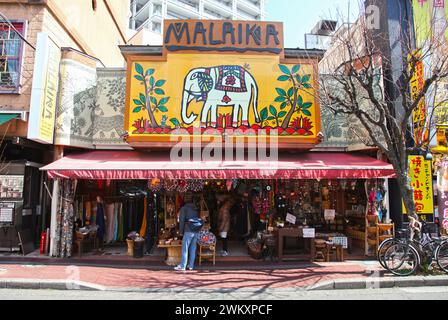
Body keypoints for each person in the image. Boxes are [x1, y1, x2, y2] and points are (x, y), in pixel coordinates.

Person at [175, 194, 200, 271]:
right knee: (193, 248)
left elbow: (182, 221)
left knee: (185, 249)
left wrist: (181, 232)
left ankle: (183, 266)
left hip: (188, 230)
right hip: (195, 230)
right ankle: (191, 266)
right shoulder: (196, 208)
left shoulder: (184, 208)